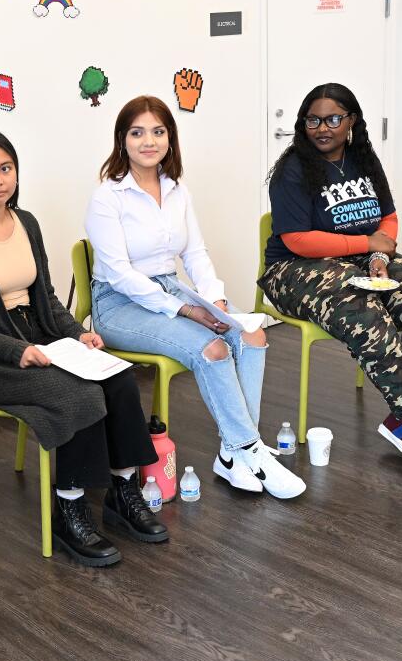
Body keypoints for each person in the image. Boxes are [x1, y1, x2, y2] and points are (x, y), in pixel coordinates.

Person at [0, 131, 167, 567]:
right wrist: (15, 352)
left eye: (5, 169)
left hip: (41, 338)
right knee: (77, 393)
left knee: (116, 375)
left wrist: (78, 335)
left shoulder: (27, 223)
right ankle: (69, 506)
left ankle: (123, 489)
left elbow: (48, 300)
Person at [86, 96, 307, 498]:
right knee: (212, 349)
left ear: (170, 138)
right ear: (122, 140)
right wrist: (186, 309)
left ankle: (233, 454)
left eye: (158, 131)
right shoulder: (108, 197)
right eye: (137, 133)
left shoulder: (176, 190)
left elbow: (195, 253)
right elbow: (119, 273)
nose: (148, 141)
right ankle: (250, 450)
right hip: (118, 303)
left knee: (251, 334)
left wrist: (216, 301)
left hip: (170, 287)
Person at [260, 83, 402, 475]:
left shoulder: (364, 158)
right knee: (366, 313)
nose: (323, 128)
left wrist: (376, 253)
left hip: (363, 258)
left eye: (334, 119)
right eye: (313, 120)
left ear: (351, 120)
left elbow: (388, 217)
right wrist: (365, 242)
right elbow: (297, 239)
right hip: (294, 269)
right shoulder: (293, 169)